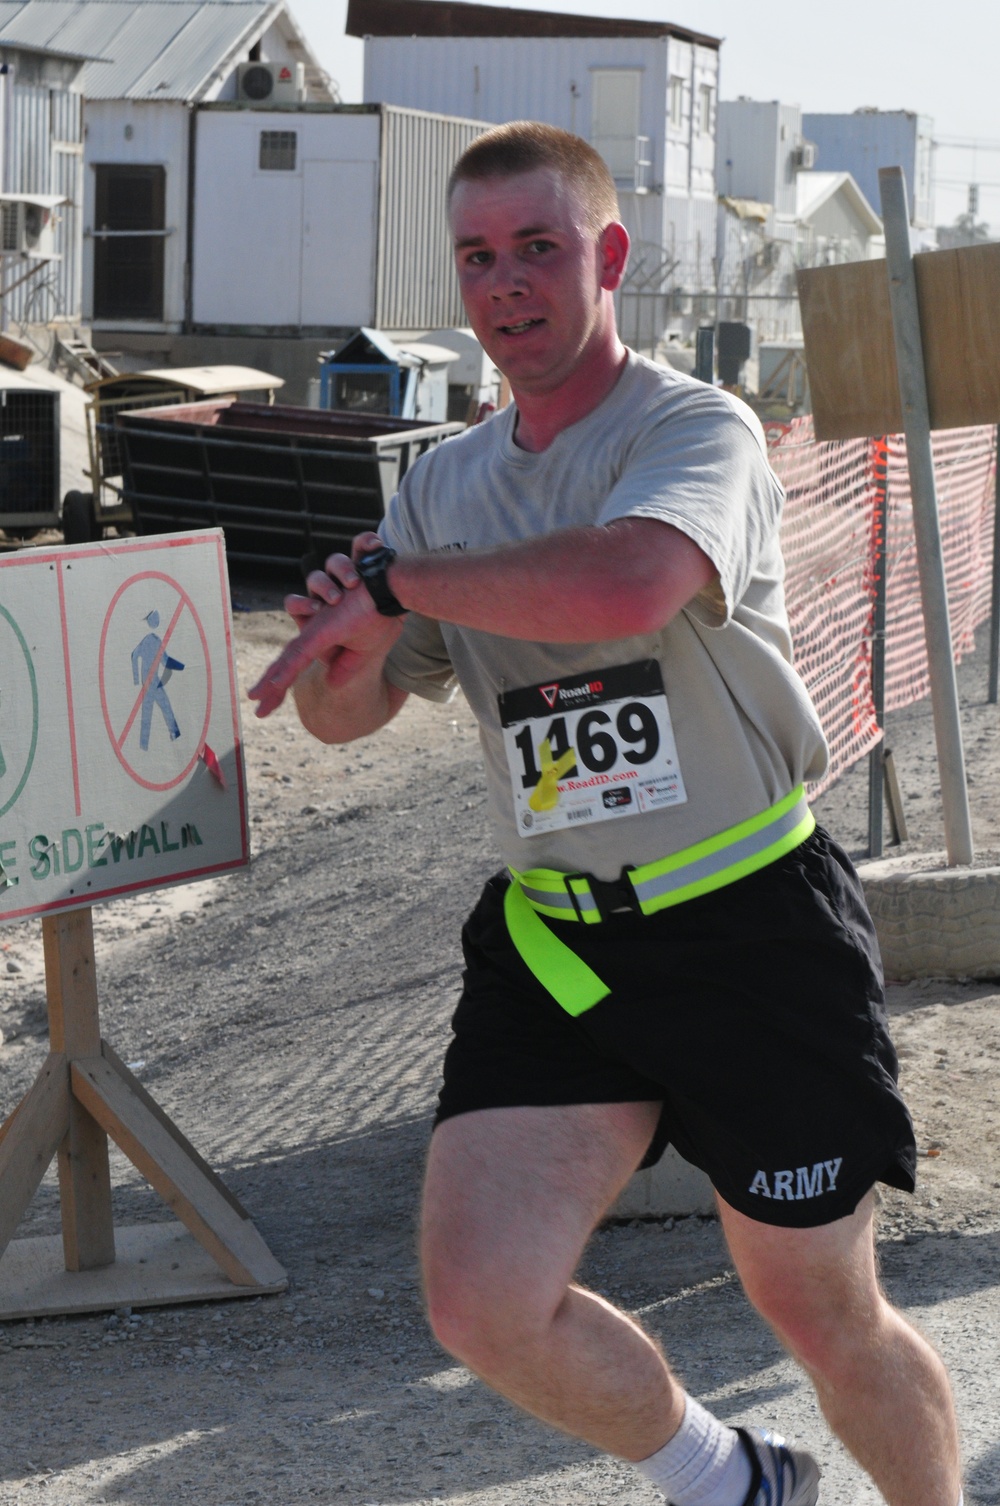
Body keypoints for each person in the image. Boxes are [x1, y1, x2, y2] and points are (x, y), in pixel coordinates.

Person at [249, 122, 962, 1506]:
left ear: (608, 257)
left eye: (539, 247)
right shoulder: (441, 486)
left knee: (818, 1309)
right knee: (483, 1303)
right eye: (477, 256)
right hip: (561, 941)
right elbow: (349, 716)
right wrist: (342, 638)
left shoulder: (694, 427)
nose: (507, 282)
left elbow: (629, 583)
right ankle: (737, 1479)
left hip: (749, 925)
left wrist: (404, 587)